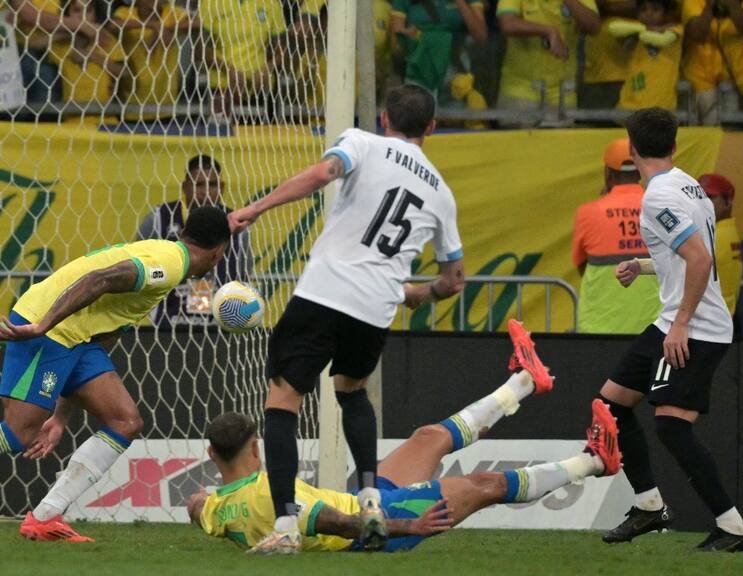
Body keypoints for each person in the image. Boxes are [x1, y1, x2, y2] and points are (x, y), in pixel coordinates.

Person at [227, 84, 466, 554]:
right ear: (432, 128)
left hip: (324, 292)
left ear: (384, 118)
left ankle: (285, 526)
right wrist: (420, 294)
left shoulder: (362, 142)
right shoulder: (441, 192)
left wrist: (255, 208)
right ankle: (372, 501)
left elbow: (323, 173)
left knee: (282, 402)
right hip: (374, 309)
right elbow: (455, 278)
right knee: (351, 392)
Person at [187, 322, 621, 553]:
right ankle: (595, 460)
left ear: (211, 453)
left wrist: (206, 498)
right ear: (258, 447)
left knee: (427, 437)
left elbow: (197, 505)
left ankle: (526, 381)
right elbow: (332, 523)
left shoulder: (217, 509)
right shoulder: (264, 492)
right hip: (380, 530)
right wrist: (407, 527)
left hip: (362, 498)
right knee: (482, 486)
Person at [0, 206, 231, 542]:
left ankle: (45, 518)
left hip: (77, 338)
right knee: (18, 435)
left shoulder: (167, 257)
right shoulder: (168, 266)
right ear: (218, 252)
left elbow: (104, 333)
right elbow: (100, 280)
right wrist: (44, 324)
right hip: (48, 330)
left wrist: (61, 417)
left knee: (125, 420)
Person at [601, 107, 743, 551]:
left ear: (632, 149)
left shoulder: (658, 196)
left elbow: (702, 260)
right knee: (610, 405)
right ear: (673, 144)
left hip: (694, 327)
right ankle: (649, 506)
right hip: (675, 319)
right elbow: (689, 255)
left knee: (670, 426)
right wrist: (644, 265)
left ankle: (733, 529)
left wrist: (681, 324)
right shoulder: (691, 185)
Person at [136, 155, 254, 326]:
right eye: (198, 184)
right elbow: (140, 264)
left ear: (222, 187)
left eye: (212, 184)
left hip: (219, 326)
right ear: (185, 187)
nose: (205, 191)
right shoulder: (160, 217)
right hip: (164, 324)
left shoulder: (236, 224)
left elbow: (244, 273)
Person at [572, 138, 660, 334]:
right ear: (640, 170)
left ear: (607, 173)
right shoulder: (659, 208)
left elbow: (581, 265)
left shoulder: (588, 213)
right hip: (650, 323)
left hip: (598, 325)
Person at [496, 0, 601, 127]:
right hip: (520, 91)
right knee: (517, 145)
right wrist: (548, 31)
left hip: (562, 94)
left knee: (560, 146)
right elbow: (507, 24)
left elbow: (594, 25)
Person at [681, 0, 743, 125]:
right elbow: (697, 34)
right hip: (700, 84)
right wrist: (709, 6)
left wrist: (731, 3)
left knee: (734, 137)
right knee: (706, 137)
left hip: (736, 86)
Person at [112, 0, 198, 122]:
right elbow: (112, 25)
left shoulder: (172, 13)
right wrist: (151, 25)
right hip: (133, 108)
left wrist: (167, 29)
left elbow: (198, 24)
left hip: (166, 109)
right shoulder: (125, 13)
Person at [389, 0, 487, 105]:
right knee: (421, 117)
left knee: (455, 118)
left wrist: (460, 3)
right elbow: (396, 45)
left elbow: (481, 35)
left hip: (457, 75)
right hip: (420, 71)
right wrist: (413, 38)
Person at [49, 0, 125, 125]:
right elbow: (31, 45)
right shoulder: (60, 45)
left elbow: (125, 73)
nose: (82, 16)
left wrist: (92, 56)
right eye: (76, 10)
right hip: (71, 122)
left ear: (96, 15)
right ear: (66, 14)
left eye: (88, 11)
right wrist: (64, 32)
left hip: (106, 121)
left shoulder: (106, 40)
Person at [610, 0, 683, 111]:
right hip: (630, 103)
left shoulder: (676, 30)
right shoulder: (635, 33)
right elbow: (613, 28)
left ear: (666, 13)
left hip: (662, 104)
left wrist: (645, 32)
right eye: (643, 10)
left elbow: (661, 40)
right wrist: (643, 29)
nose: (649, 14)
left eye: (656, 9)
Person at [698, 173, 742, 317]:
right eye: (698, 197)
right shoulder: (727, 231)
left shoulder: (715, 236)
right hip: (724, 316)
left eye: (710, 197)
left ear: (728, 202)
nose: (702, 203)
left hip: (712, 322)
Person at [580, 0, 635, 111]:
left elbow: (657, 8)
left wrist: (606, 8)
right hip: (598, 77)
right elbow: (588, 13)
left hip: (643, 77)